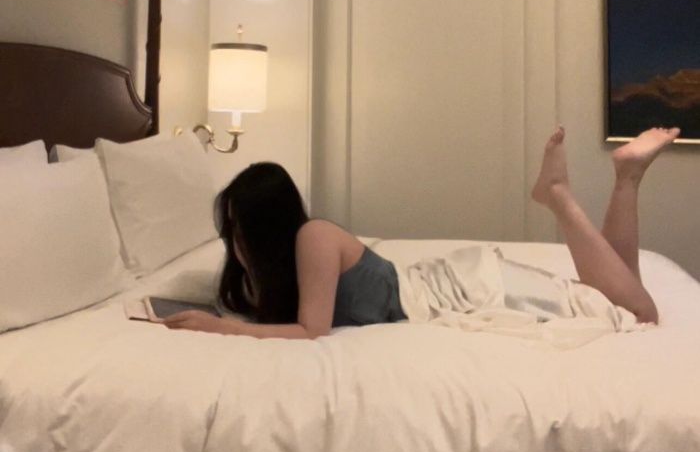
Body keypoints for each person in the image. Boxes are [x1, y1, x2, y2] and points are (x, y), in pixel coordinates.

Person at [163, 126, 679, 338]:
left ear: (265, 227)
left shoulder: (312, 238)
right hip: (448, 283)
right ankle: (628, 178)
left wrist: (220, 328)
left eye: (238, 232)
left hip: (462, 289)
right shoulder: (279, 270)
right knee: (613, 294)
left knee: (637, 313)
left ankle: (558, 195)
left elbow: (311, 332)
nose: (235, 245)